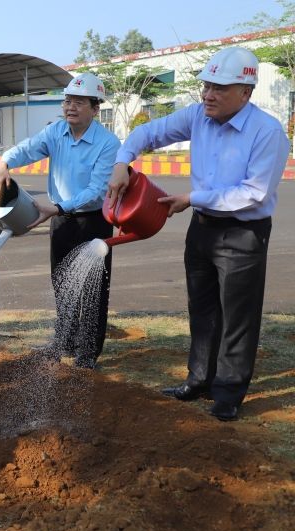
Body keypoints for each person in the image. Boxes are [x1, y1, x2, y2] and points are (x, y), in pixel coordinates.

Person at [107, 47, 289, 421]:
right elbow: (147, 132)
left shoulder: (267, 132)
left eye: (219, 88)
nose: (208, 94)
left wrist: (192, 198)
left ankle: (228, 392)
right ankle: (199, 380)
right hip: (202, 229)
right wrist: (122, 162)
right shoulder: (197, 116)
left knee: (237, 315)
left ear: (245, 92)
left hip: (243, 233)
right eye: (206, 85)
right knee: (202, 309)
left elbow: (253, 193)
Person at [0, 73, 121, 369]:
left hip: (94, 222)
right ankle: (63, 340)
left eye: (78, 101)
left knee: (93, 288)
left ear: (94, 108)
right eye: (67, 101)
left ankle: (87, 353)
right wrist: (3, 163)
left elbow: (95, 191)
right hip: (61, 221)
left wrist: (57, 207)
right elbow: (27, 148)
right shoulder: (56, 132)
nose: (70, 107)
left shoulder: (108, 143)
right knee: (62, 282)